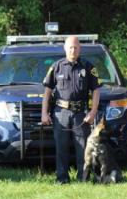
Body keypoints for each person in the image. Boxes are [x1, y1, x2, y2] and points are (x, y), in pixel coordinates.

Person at [41, 36, 101, 184]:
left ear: (79, 48)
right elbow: (47, 91)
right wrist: (44, 113)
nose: (73, 50)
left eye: (75, 47)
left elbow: (96, 91)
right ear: (65, 48)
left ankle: (83, 178)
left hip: (81, 113)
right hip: (60, 113)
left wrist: (93, 112)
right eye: (70, 47)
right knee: (61, 147)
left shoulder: (88, 67)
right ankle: (62, 178)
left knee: (82, 148)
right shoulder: (56, 67)